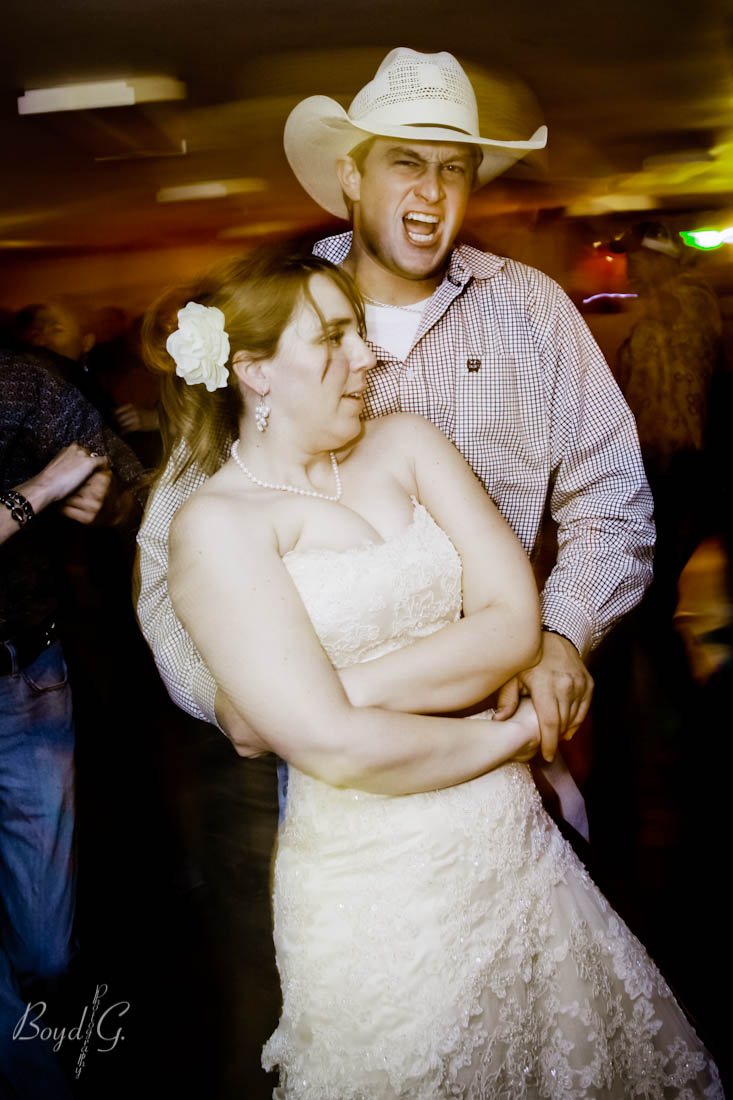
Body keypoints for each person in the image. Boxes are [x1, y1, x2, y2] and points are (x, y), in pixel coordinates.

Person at [145, 245, 721, 1097]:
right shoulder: (217, 526)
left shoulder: (408, 443)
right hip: (371, 883)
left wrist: (330, 698)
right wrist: (520, 732)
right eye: (333, 339)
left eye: (360, 334)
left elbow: (512, 623)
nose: (366, 357)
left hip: (512, 844)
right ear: (254, 371)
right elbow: (339, 755)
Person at [137, 49, 655, 843]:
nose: (433, 191)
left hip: (506, 720)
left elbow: (611, 499)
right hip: (333, 764)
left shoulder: (533, 312)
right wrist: (226, 698)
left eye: (455, 168)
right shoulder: (275, 318)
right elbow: (171, 558)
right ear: (351, 175)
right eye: (406, 162)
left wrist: (560, 634)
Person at [0, 347, 141, 1099]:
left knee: (49, 947)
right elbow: (51, 481)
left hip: (26, 679)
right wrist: (39, 489)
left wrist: (106, 498)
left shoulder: (23, 381)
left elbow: (130, 485)